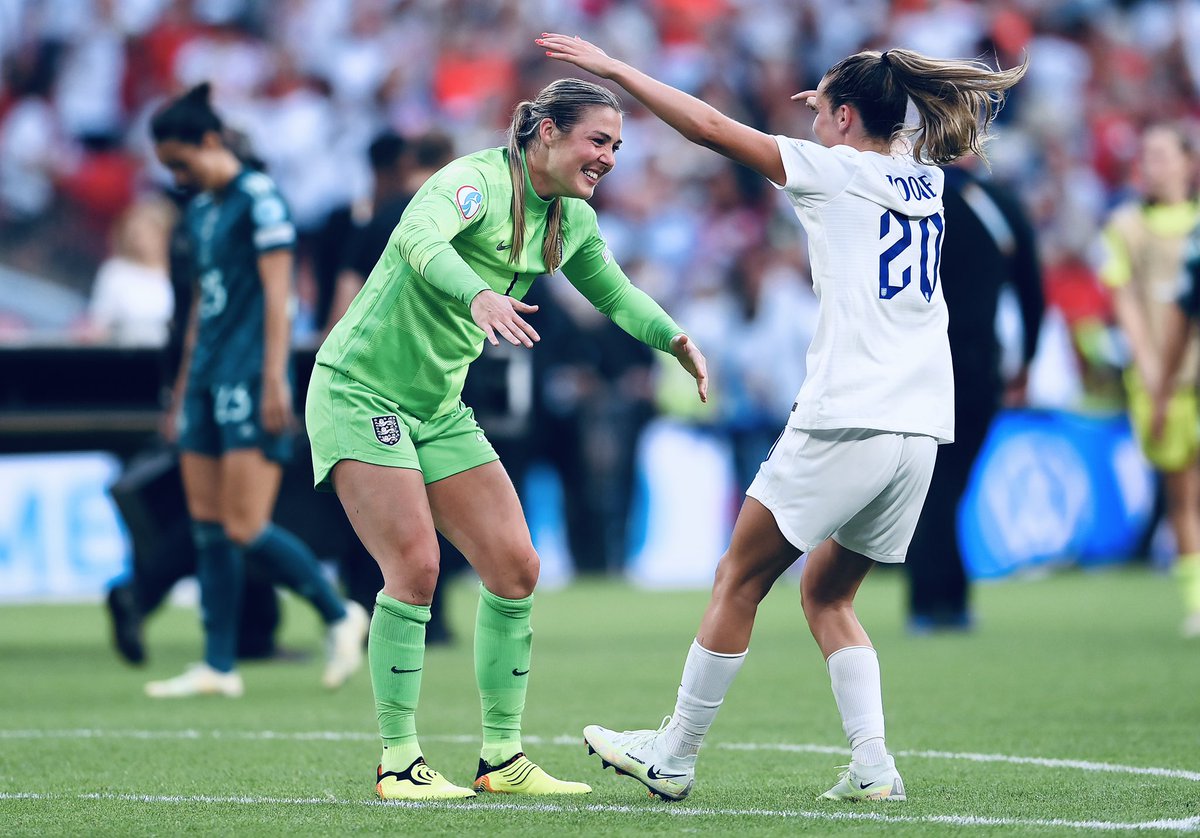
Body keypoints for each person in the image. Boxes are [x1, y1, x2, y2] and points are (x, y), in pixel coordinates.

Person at [538, 33, 1025, 802]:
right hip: (920, 428)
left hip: (848, 414)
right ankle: (873, 767)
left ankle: (674, 752)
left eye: (825, 106)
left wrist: (617, 71)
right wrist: (840, 104)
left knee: (738, 577)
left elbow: (708, 129)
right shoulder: (925, 175)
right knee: (827, 595)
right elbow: (882, 120)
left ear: (841, 117)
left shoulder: (833, 169)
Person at [305, 77, 709, 800]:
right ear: (547, 132)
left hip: (437, 404)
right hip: (359, 390)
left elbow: (613, 293)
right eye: (598, 140)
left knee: (516, 566)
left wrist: (671, 337)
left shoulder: (570, 221)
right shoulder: (472, 181)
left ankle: (502, 759)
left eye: (616, 145)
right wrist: (479, 294)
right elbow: (418, 239)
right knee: (415, 568)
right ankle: (399, 760)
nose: (609, 157)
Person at [143, 83, 369, 699]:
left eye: (181, 163)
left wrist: (275, 379)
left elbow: (280, 299)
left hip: (248, 377)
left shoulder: (260, 200)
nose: (178, 178)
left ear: (210, 142)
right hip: (205, 381)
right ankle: (219, 666)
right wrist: (182, 386)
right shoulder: (201, 210)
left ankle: (338, 611)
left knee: (244, 523)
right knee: (208, 525)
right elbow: (196, 310)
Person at [906, 159, 1044, 633]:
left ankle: (930, 600)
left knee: (929, 487)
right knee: (950, 485)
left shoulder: (912, 200)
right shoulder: (998, 205)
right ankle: (947, 598)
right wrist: (1027, 360)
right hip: (979, 367)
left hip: (919, 367)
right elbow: (1032, 292)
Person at [1144, 128, 1200, 637]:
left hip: (1178, 376)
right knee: (1183, 493)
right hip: (1175, 380)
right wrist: (1159, 387)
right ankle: (1196, 602)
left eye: (1163, 153)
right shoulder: (1126, 225)